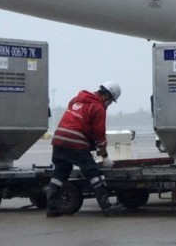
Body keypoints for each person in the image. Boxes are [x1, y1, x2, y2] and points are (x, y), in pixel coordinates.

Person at [45, 81, 122, 217]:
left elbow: (78, 121)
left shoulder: (76, 99)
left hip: (58, 139)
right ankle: (107, 207)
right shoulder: (98, 108)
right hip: (75, 142)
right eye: (110, 101)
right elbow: (99, 135)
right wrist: (105, 157)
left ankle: (51, 208)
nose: (109, 105)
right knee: (94, 174)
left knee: (61, 173)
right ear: (107, 96)